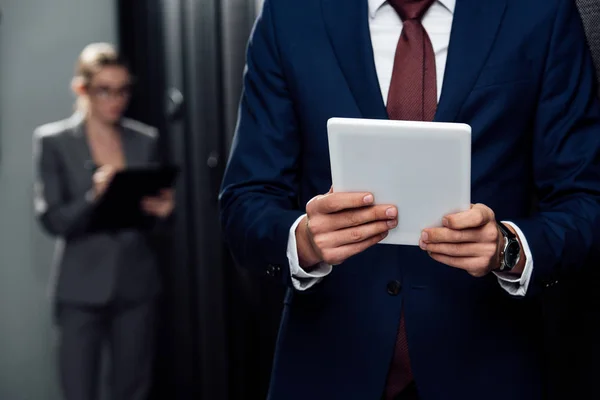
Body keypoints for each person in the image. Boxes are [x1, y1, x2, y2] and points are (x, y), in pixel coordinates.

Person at [219, 0, 600, 399]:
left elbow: (586, 199)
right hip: (328, 365)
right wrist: (304, 242)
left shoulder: (539, 12)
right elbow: (245, 200)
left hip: (489, 366)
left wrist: (509, 251)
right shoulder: (290, 13)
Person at [33, 43, 174, 400]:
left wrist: (162, 213)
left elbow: (150, 220)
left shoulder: (145, 139)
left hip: (137, 282)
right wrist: (93, 198)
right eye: (105, 90)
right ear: (82, 89)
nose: (116, 99)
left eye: (123, 89)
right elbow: (52, 219)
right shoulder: (54, 141)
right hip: (80, 286)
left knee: (133, 389)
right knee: (78, 389)